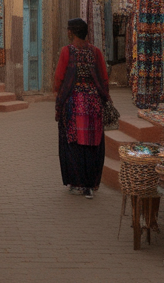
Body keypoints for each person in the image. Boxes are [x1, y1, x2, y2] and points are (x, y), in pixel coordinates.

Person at [54, 17, 110, 198]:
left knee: (74, 143)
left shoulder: (67, 51)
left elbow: (59, 79)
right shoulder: (95, 52)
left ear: (71, 32)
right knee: (93, 143)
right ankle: (90, 185)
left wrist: (61, 97)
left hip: (73, 105)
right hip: (93, 105)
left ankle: (77, 182)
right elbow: (104, 79)